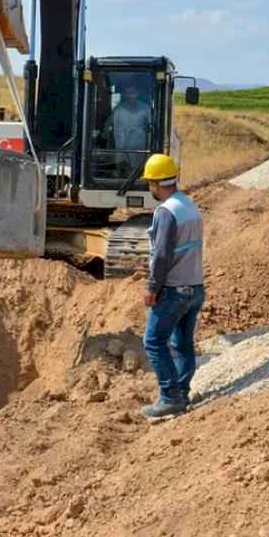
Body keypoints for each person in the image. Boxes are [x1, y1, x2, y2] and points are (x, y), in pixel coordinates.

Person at [137, 153, 205, 421]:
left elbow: (162, 255)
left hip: (175, 289)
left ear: (155, 183)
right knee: (182, 343)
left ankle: (170, 397)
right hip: (195, 287)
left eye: (149, 183)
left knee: (153, 341)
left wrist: (152, 287)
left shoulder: (166, 212)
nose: (150, 187)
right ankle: (181, 392)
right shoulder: (189, 206)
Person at [107, 84, 151, 152]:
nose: (130, 96)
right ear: (125, 95)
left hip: (139, 150)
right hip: (120, 149)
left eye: (132, 93)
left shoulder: (145, 109)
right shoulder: (118, 109)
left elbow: (151, 128)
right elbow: (108, 125)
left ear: (137, 94)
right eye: (128, 93)